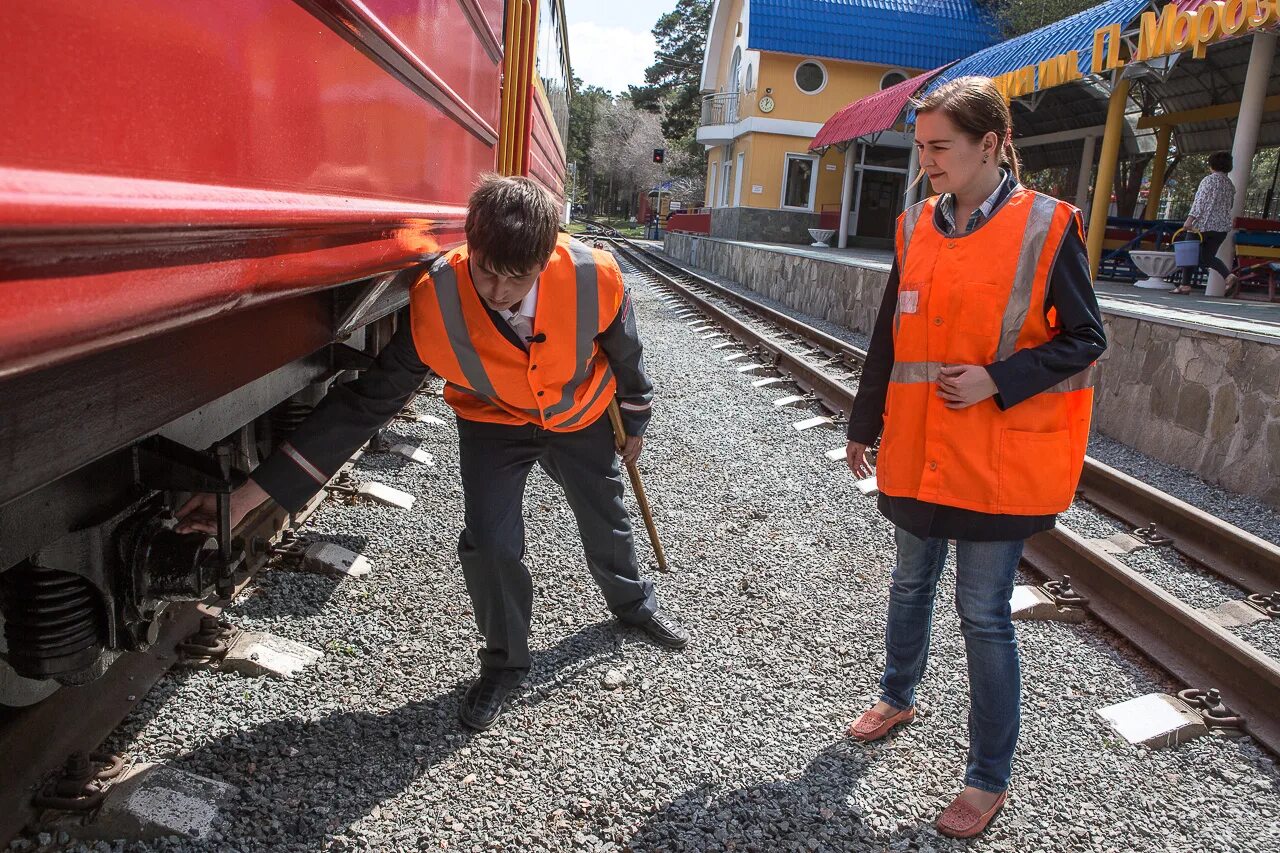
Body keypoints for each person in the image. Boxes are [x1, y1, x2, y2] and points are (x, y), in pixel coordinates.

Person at [176, 175, 690, 731]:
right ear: (470, 242)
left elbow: (626, 355)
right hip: (492, 422)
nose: (496, 290)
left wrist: (635, 420)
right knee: (490, 542)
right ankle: (504, 660)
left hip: (581, 416)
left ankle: (633, 606)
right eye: (485, 269)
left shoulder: (596, 276)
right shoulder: (436, 298)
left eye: (516, 277)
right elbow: (364, 406)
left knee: (606, 516)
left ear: (548, 255)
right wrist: (249, 497)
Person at [843, 77, 1106, 839]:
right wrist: (863, 421)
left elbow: (1086, 338)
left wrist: (1000, 379)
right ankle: (898, 693)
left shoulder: (1048, 226)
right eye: (920, 146)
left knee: (983, 614)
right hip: (921, 449)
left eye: (939, 147)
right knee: (908, 580)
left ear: (991, 145)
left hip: (997, 459)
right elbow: (891, 334)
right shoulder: (914, 225)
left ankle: (988, 776)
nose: (926, 160)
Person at [1175, 151, 1239, 296]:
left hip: (1202, 225)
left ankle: (1185, 285)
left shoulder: (1208, 180)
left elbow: (1200, 202)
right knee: (1208, 257)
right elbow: (1229, 205)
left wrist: (1190, 219)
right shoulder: (1230, 185)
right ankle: (1228, 276)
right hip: (1221, 228)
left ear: (1212, 165)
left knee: (1188, 252)